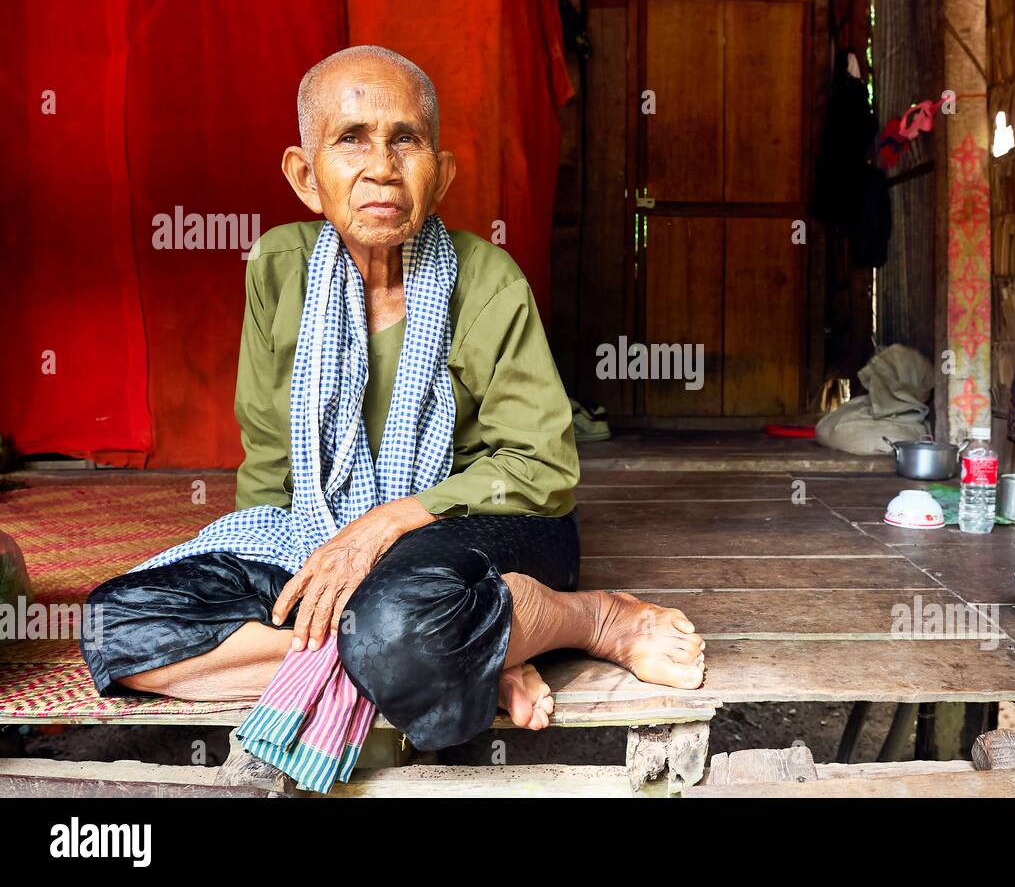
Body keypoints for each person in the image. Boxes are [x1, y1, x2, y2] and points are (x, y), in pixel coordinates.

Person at [81, 46, 705, 751]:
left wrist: (379, 528)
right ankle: (466, 656)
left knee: (399, 619)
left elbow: (540, 468)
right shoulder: (279, 269)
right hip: (323, 532)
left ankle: (587, 619)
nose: (381, 165)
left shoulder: (487, 278)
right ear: (305, 176)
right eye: (351, 139)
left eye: (405, 139)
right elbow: (269, 459)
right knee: (119, 624)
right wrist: (289, 570)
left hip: (485, 525)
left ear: (439, 175)